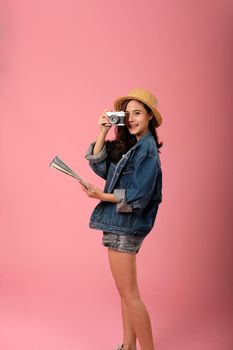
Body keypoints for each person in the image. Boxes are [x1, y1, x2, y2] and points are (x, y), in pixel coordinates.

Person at [80, 88, 163, 350]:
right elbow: (101, 167)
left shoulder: (147, 150)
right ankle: (128, 345)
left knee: (130, 294)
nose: (131, 119)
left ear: (150, 116)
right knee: (125, 293)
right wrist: (103, 132)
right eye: (127, 114)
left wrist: (100, 196)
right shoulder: (132, 146)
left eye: (137, 113)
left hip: (126, 225)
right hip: (120, 223)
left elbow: (139, 196)